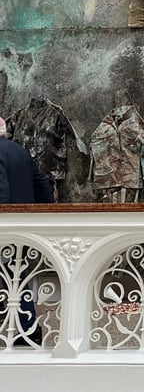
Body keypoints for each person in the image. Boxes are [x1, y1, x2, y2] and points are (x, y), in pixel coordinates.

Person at [0, 116, 53, 347]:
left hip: (5, 224)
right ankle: (29, 328)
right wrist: (45, 213)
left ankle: (26, 327)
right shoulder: (19, 151)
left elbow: (1, 190)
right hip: (21, 224)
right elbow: (41, 183)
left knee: (12, 275)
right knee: (16, 274)